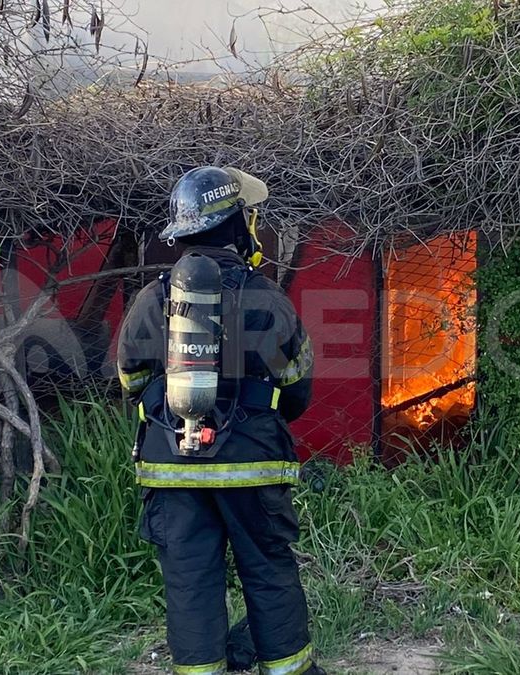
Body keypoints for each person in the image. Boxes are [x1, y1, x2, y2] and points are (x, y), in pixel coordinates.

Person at [117, 166, 320, 675]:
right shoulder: (266, 298)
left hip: (172, 467)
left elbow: (131, 383)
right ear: (236, 226)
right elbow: (298, 388)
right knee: (268, 571)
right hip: (252, 464)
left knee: (190, 580)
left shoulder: (153, 298)